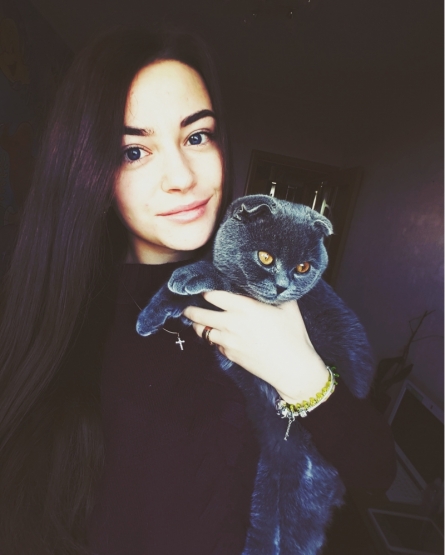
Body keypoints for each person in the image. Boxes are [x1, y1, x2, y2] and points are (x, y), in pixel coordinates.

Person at [0, 27, 396, 555]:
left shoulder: (271, 292)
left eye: (196, 137)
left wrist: (301, 373)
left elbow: (376, 475)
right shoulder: (60, 312)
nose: (181, 177)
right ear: (91, 171)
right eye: (135, 150)